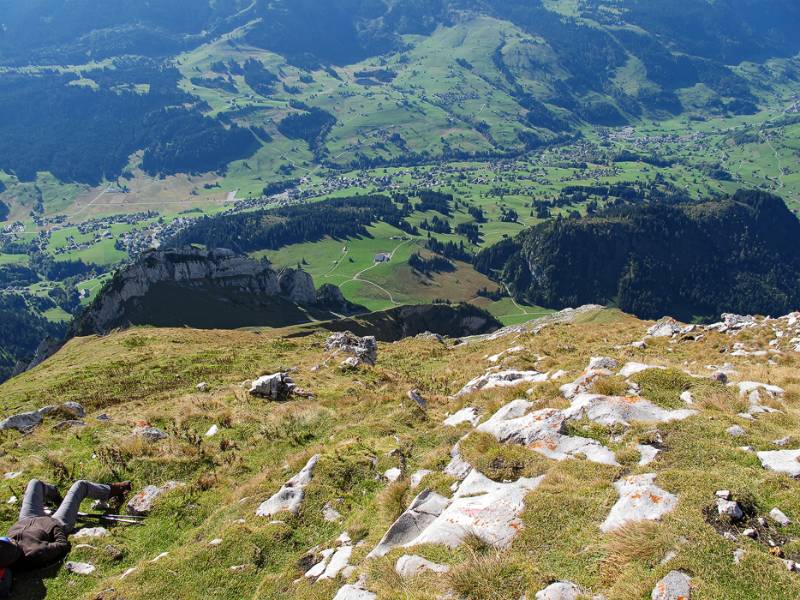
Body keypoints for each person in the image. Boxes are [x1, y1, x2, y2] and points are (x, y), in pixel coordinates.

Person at [0, 479, 131, 573]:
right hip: (57, 522)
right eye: (10, 542)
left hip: (27, 518)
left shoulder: (5, 551)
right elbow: (62, 545)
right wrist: (54, 527)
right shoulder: (34, 552)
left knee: (34, 483)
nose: (9, 540)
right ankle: (116, 489)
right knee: (80, 485)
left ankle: (56, 496)